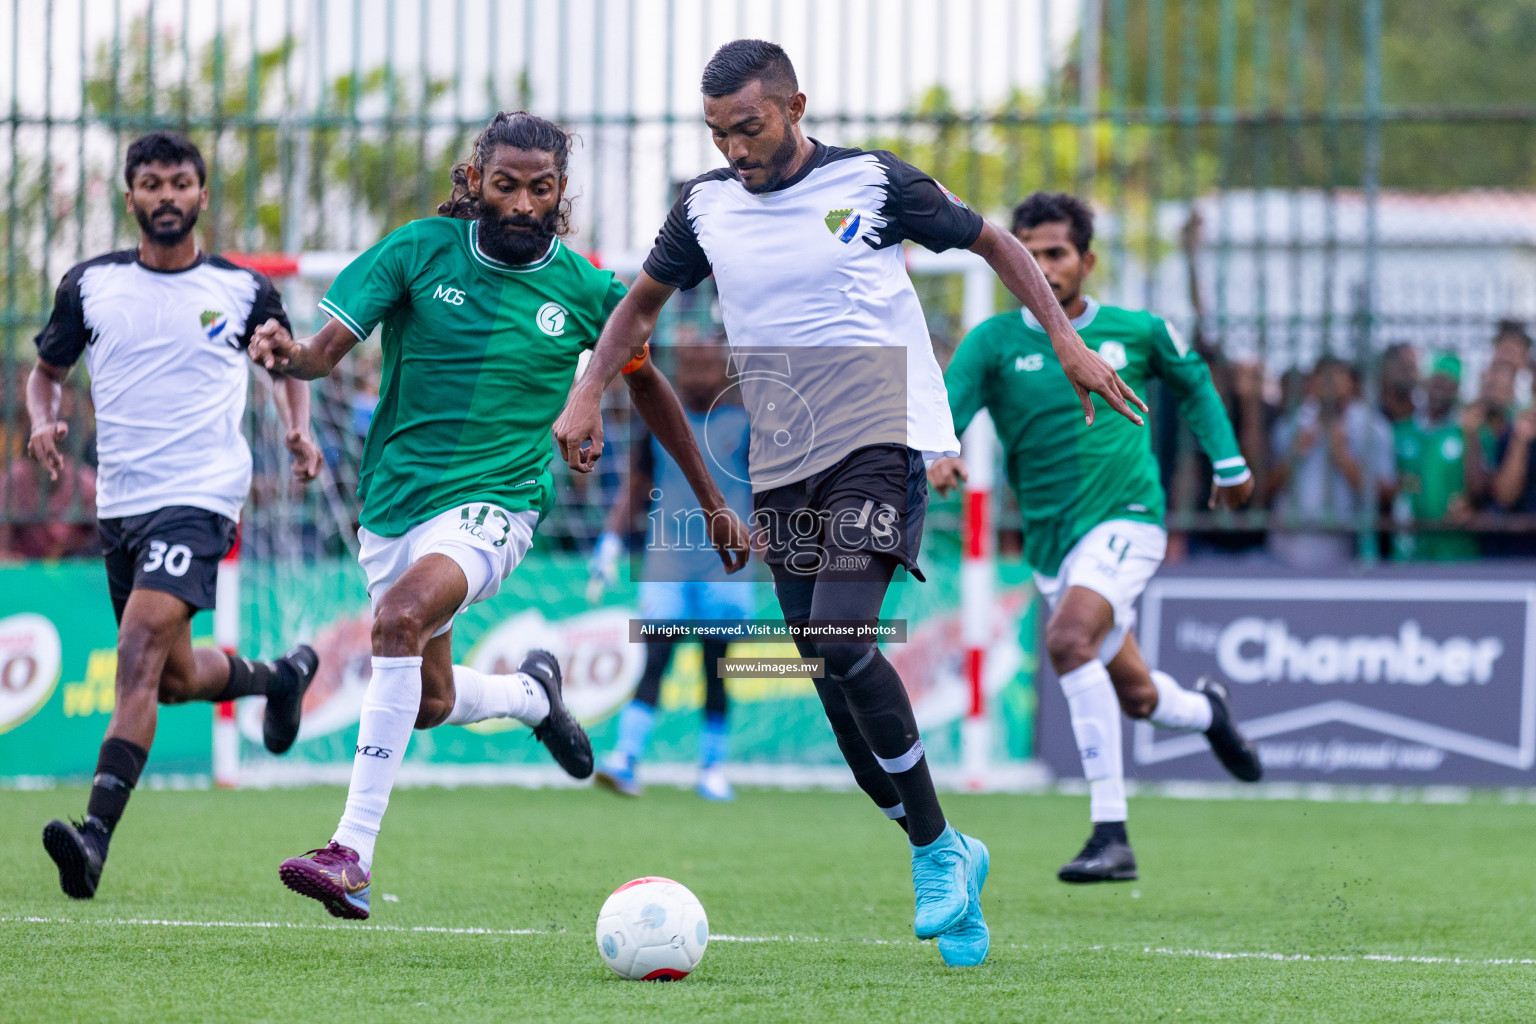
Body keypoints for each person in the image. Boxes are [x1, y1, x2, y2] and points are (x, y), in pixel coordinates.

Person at [552, 41, 1145, 968]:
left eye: (749, 128)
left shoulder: (873, 184)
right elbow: (638, 308)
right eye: (717, 135)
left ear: (794, 105)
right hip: (784, 453)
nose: (735, 151)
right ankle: (942, 853)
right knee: (827, 674)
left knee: (838, 641)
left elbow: (991, 241)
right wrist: (587, 392)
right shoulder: (704, 208)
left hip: (878, 425)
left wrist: (1066, 343)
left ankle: (940, 848)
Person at [247, 112, 748, 921]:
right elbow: (318, 354)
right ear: (475, 180)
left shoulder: (585, 289)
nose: (522, 203)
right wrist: (285, 354)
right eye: (506, 185)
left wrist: (717, 505)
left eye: (539, 188)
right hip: (393, 507)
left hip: (498, 505)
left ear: (559, 193)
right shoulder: (416, 251)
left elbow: (647, 384)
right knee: (431, 700)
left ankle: (351, 852)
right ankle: (531, 698)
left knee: (402, 620)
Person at [930, 192, 1262, 884]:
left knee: (1068, 640)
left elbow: (1196, 386)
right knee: (1137, 695)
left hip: (1127, 518)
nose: (1043, 266)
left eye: (1056, 253)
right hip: (1053, 545)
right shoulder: (992, 343)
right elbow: (945, 408)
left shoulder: (1136, 330)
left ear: (1087, 260)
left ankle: (1111, 833)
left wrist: (1229, 464)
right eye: (1028, 253)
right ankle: (1208, 713)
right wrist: (941, 453)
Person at [28, 131, 323, 900]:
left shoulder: (242, 289)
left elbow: (288, 361)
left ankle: (93, 840)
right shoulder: (89, 285)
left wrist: (298, 425)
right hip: (121, 504)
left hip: (202, 494)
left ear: (201, 195)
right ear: (130, 196)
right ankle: (282, 677)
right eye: (152, 184)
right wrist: (40, 420)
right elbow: (46, 374)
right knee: (174, 679)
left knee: (136, 649)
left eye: (181, 183)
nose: (167, 196)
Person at [591, 340, 753, 801]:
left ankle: (712, 767)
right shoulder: (658, 419)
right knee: (656, 658)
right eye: (689, 366)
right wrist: (610, 541)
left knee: (716, 665)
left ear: (724, 371)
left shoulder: (743, 423)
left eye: (706, 366)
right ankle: (626, 758)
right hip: (668, 561)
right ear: (678, 371)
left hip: (726, 563)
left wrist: (766, 533)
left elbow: (764, 486)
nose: (697, 375)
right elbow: (636, 486)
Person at [1267, 356, 1397, 569]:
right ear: (1312, 383)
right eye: (1322, 376)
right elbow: (1266, 489)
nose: (1330, 383)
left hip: (1346, 553)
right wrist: (1296, 454)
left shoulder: (1373, 427)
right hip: (1287, 550)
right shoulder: (1291, 423)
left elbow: (1385, 495)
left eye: (1337, 376)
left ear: (1351, 383)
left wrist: (1343, 458)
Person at [1394, 352, 1478, 561]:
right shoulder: (1400, 432)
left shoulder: (1468, 432)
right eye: (1437, 380)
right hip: (1409, 547)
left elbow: (1483, 486)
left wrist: (1472, 506)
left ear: (1458, 389)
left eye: (1450, 383)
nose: (1441, 389)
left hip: (1454, 549)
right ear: (1425, 381)